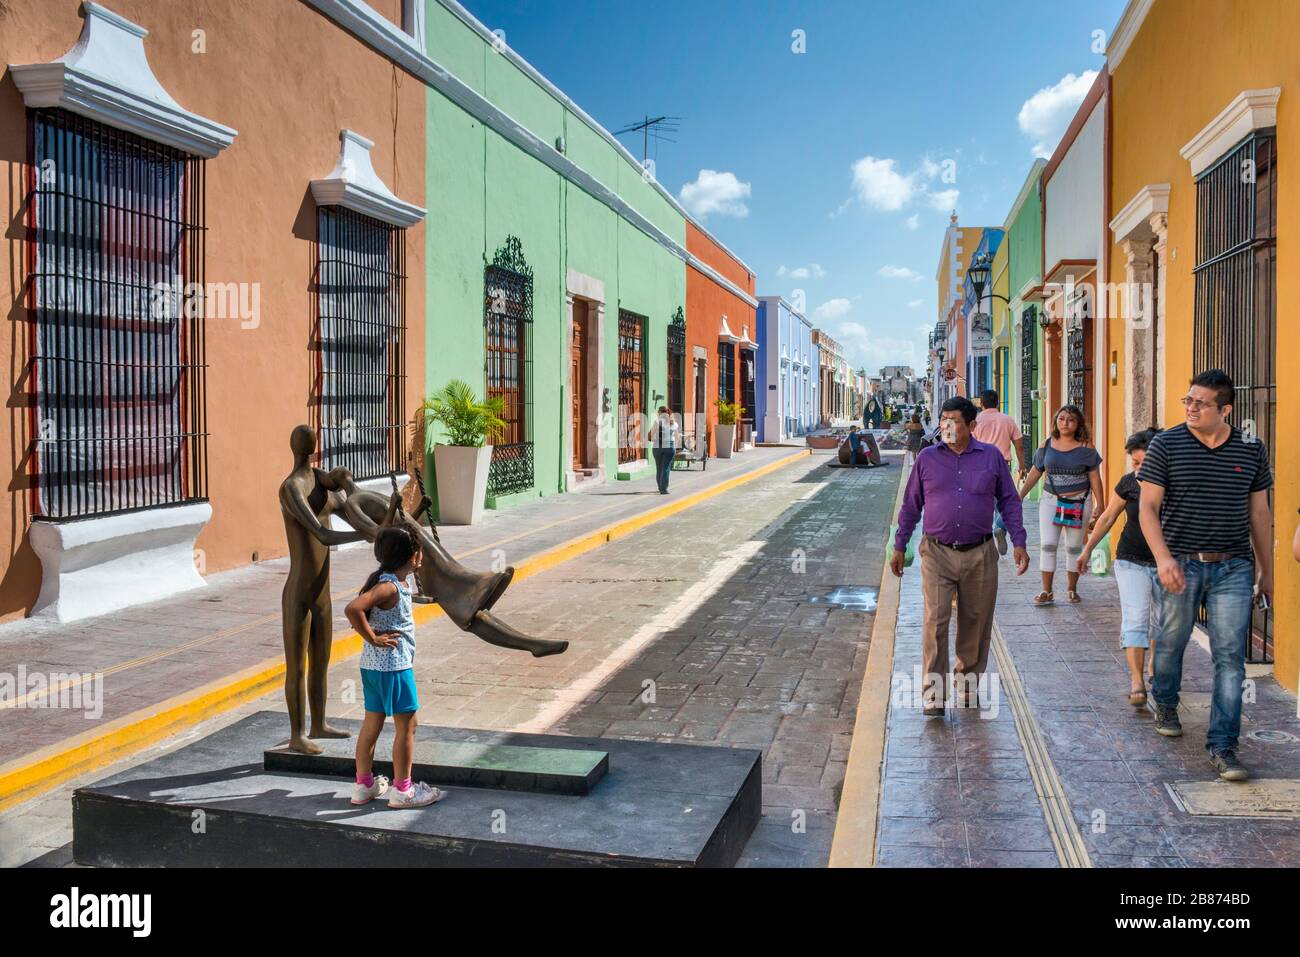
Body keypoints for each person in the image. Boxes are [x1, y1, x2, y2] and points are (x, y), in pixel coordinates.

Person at [1139, 369, 1273, 782]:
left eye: (1200, 403)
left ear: (1225, 409)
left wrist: (1266, 571)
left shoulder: (1251, 447)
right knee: (1172, 640)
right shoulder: (1166, 444)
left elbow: (1259, 513)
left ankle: (1224, 746)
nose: (1190, 408)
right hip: (1180, 560)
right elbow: (1147, 508)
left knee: (1231, 657)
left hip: (1233, 564)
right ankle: (1164, 699)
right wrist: (1163, 559)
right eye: (1188, 400)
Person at [891, 396, 1029, 716]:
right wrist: (901, 545)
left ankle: (966, 686)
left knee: (975, 622)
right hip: (937, 553)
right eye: (944, 420)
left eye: (954, 421)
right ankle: (934, 695)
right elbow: (911, 506)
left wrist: (1019, 540)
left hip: (980, 553)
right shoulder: (927, 458)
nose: (947, 426)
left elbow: (1009, 501)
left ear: (971, 426)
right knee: (935, 622)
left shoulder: (991, 457)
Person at [345, 526, 446, 809]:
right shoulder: (388, 586)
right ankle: (404, 789)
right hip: (394, 668)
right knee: (408, 726)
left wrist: (370, 640)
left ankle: (363, 784)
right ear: (413, 556)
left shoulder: (390, 581)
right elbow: (353, 608)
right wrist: (374, 638)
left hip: (372, 667)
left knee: (372, 724)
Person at [1078, 428, 1162, 707]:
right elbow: (1108, 517)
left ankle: (1154, 671)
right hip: (1131, 560)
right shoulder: (1129, 484)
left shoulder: (1176, 483)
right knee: (1136, 617)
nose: (1138, 470)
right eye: (1135, 463)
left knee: (1162, 623)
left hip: (1167, 562)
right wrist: (1087, 550)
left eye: (1145, 463)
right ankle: (1137, 680)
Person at [1017, 405, 1103, 605]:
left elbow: (1094, 477)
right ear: (1056, 421)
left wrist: (1100, 504)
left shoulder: (1086, 448)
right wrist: (1019, 495)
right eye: (1062, 418)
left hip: (1078, 503)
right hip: (1050, 501)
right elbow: (1035, 472)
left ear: (1078, 424)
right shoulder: (1046, 445)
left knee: (1073, 547)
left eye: (1071, 420)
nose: (1065, 423)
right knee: (1048, 545)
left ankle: (1072, 589)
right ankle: (1046, 591)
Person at [972, 389, 1026, 557]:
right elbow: (1019, 446)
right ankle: (1000, 526)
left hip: (979, 466)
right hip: (1002, 465)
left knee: (983, 504)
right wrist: (1022, 466)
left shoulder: (975, 422)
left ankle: (986, 541)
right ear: (998, 403)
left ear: (981, 403)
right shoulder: (1007, 420)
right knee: (1005, 502)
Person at [650, 406, 678, 495]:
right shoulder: (674, 423)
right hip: (669, 447)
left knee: (659, 468)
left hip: (657, 447)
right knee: (666, 468)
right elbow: (677, 437)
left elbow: (651, 434)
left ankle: (660, 487)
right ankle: (663, 489)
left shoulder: (656, 422)